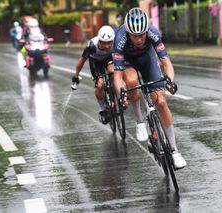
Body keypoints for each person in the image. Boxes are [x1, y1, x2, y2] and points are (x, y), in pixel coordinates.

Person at [113, 7, 186, 169]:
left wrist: (170, 81)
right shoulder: (120, 39)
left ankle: (174, 151)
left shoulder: (153, 33)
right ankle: (140, 121)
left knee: (160, 102)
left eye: (142, 35)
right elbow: (117, 77)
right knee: (131, 81)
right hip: (128, 63)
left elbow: (167, 63)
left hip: (148, 60)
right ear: (128, 33)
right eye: (135, 36)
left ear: (147, 30)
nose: (139, 39)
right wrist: (122, 94)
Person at [71, 25, 115, 124]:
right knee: (100, 85)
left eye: (109, 43)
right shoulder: (91, 46)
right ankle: (102, 109)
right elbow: (81, 61)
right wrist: (76, 75)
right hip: (95, 62)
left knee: (113, 72)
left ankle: (114, 95)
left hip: (108, 59)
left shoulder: (116, 42)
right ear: (99, 40)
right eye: (104, 43)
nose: (107, 46)